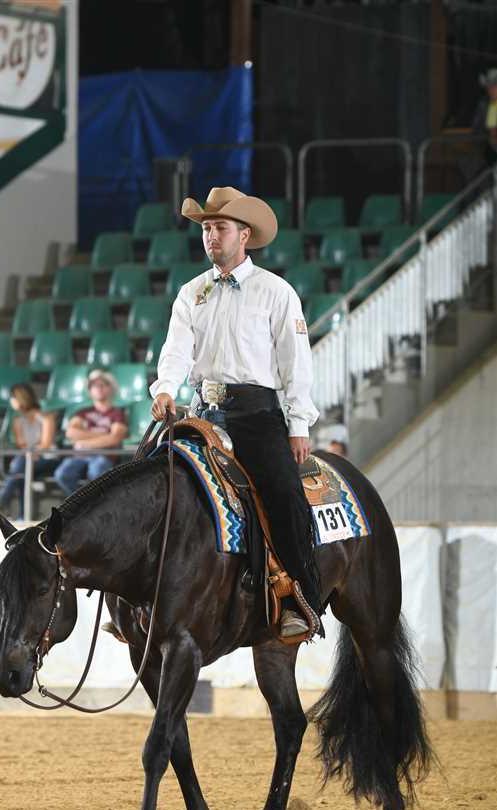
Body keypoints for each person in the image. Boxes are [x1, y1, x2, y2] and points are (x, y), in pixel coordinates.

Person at [150, 186, 321, 640]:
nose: (211, 236)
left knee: (282, 491)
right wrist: (165, 388)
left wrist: (298, 424)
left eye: (220, 228)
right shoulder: (192, 292)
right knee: (152, 474)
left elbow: (295, 362)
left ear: (244, 235)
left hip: (256, 415)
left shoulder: (275, 292)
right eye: (206, 228)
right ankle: (147, 599)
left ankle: (297, 596)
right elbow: (177, 351)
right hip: (201, 412)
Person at [54, 370, 128, 496]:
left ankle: (91, 504)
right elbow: (70, 432)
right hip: (80, 456)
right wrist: (104, 436)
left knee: (97, 472)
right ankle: (80, 502)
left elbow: (115, 438)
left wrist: (84, 442)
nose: (98, 388)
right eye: (94, 385)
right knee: (62, 474)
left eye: (102, 385)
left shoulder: (117, 413)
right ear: (89, 391)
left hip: (104, 456)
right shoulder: (82, 412)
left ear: (110, 389)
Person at [0, 383, 57, 520]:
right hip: (27, 459)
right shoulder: (17, 421)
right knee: (21, 472)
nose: (11, 401)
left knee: (19, 466)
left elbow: (46, 444)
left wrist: (32, 453)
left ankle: (1, 500)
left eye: (13, 398)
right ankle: (24, 516)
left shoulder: (46, 418)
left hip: (47, 458)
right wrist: (29, 454)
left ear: (20, 399)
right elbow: (21, 444)